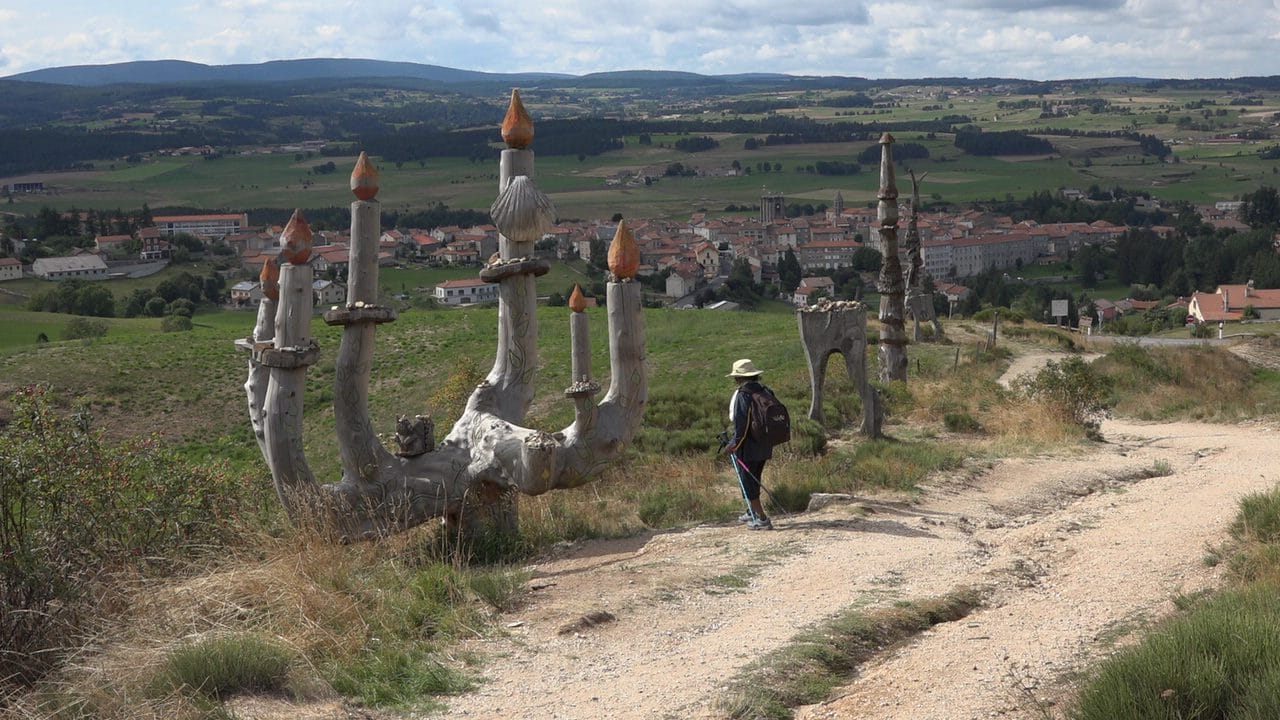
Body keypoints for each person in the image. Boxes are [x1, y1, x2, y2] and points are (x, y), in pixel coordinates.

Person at [724, 358, 773, 530]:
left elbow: (742, 426)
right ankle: (751, 511)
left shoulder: (743, 395)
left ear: (739, 378)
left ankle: (762, 519)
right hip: (765, 444)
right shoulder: (765, 391)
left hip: (748, 447)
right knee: (755, 478)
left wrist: (733, 445)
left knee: (748, 482)